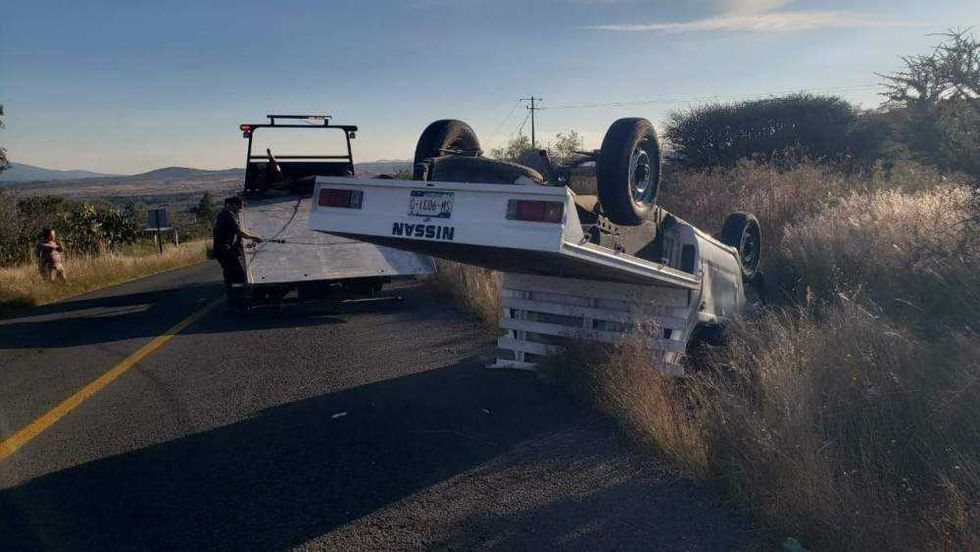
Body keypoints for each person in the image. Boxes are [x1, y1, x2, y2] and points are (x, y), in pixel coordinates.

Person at [212, 196, 263, 309]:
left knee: (232, 274)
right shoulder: (228, 215)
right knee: (237, 274)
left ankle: (235, 300)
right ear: (230, 205)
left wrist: (252, 236)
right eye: (238, 205)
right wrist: (254, 237)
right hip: (224, 250)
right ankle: (237, 302)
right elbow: (239, 231)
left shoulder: (226, 214)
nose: (240, 208)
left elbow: (239, 230)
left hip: (223, 249)